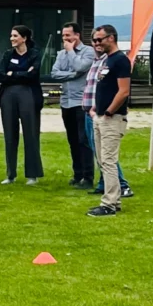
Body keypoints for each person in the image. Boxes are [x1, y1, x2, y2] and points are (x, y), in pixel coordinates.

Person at [82, 30, 133, 198]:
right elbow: (104, 88)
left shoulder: (120, 60)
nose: (96, 43)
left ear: (111, 38)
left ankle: (110, 201)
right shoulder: (107, 60)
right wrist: (96, 108)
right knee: (102, 160)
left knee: (109, 161)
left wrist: (109, 111)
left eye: (99, 40)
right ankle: (112, 199)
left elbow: (123, 91)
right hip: (98, 116)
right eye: (94, 41)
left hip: (112, 118)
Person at [0, 25, 44, 185]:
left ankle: (32, 174)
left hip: (28, 95)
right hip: (8, 96)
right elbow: (1, 74)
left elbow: (33, 75)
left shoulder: (34, 54)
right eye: (11, 35)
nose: (12, 39)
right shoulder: (7, 54)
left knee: (30, 133)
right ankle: (10, 174)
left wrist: (13, 74)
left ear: (24, 38)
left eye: (15, 36)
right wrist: (21, 74)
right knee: (10, 135)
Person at [51, 22, 96, 190]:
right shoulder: (61, 54)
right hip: (66, 102)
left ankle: (88, 176)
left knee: (84, 140)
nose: (65, 39)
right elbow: (54, 73)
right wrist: (73, 75)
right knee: (72, 140)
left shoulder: (88, 52)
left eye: (68, 36)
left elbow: (81, 66)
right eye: (63, 36)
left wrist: (71, 52)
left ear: (77, 35)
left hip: (81, 103)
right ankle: (77, 174)